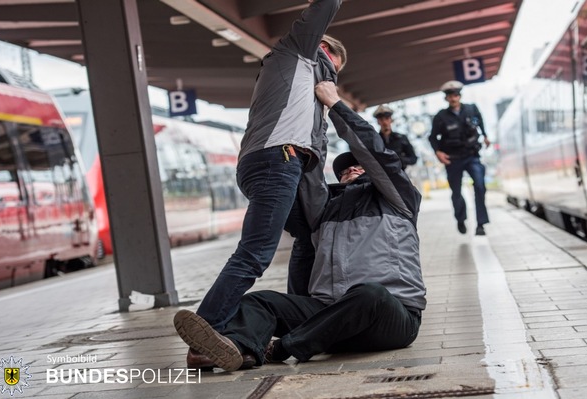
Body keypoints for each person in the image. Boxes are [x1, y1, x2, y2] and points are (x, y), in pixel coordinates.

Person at [173, 81, 426, 372]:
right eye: (344, 169)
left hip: (390, 318)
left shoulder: (399, 198)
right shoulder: (323, 210)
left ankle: (281, 348)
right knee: (259, 301)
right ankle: (237, 349)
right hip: (328, 321)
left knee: (369, 294)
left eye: (359, 166)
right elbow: (308, 168)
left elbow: (375, 153)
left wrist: (335, 105)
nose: (351, 169)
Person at [175, 0, 347, 369]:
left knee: (308, 233)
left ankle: (300, 320)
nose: (332, 79)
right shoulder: (297, 52)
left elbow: (315, 161)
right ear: (324, 49)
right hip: (276, 160)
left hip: (277, 162)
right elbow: (325, 7)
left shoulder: (308, 97)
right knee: (254, 254)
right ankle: (206, 330)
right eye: (334, 69)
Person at [429, 80, 491, 236]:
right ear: (446, 98)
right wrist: (438, 152)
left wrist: (485, 136)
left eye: (455, 95)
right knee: (456, 192)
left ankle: (481, 225)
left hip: (472, 156)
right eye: (450, 96)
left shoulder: (471, 109)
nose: (453, 98)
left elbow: (480, 122)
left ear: (459, 96)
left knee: (479, 186)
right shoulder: (441, 116)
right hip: (453, 159)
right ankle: (460, 218)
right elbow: (432, 137)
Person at [372, 105, 417, 170]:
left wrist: (401, 160)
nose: (384, 122)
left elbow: (413, 159)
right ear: (378, 122)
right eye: (381, 119)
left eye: (387, 118)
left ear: (391, 120)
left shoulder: (401, 138)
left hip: (400, 173)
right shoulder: (375, 140)